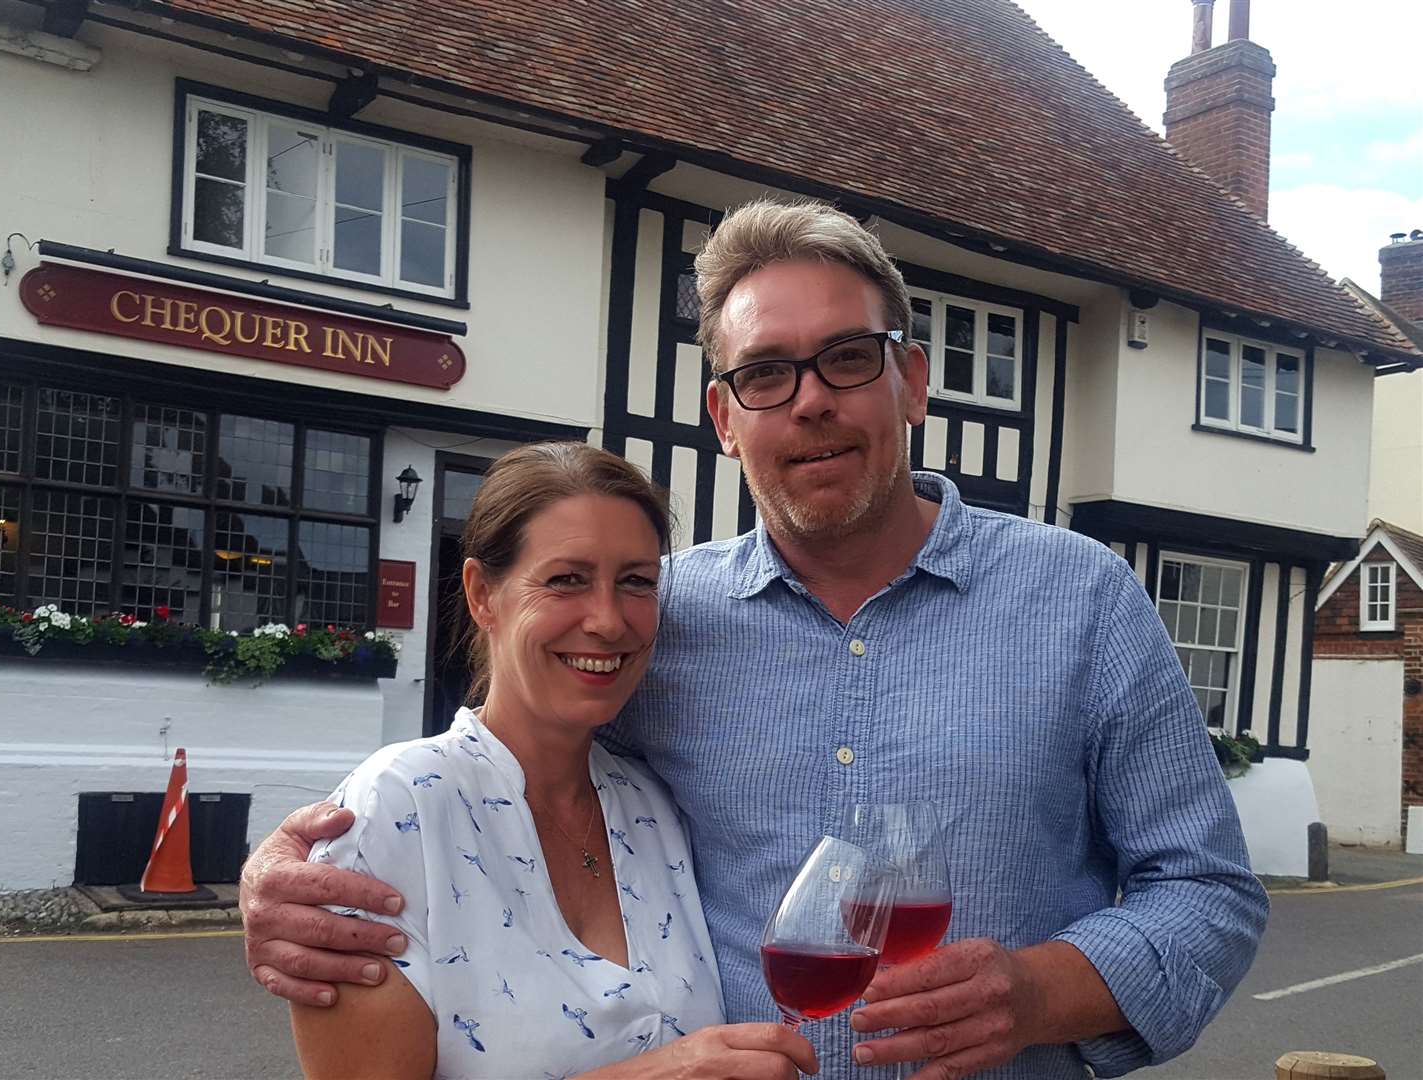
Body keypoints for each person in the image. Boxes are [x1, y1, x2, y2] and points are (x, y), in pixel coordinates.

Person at [244, 199, 1268, 1079]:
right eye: (767, 373)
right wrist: (283, 870)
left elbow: (1207, 889)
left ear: (910, 381)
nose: (811, 398)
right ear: (725, 418)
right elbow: (502, 780)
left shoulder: (1079, 595)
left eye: (847, 359)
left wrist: (1044, 993)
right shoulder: (657, 618)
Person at [285, 441, 818, 1079]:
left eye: (636, 583)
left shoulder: (650, 806)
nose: (608, 620)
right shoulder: (399, 808)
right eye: (566, 579)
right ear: (483, 594)